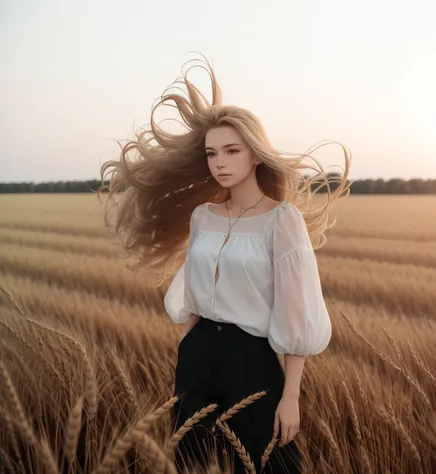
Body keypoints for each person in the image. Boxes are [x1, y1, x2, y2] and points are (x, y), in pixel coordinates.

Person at [99, 56, 351, 473]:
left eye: (232, 150)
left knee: (274, 464)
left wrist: (291, 397)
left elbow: (296, 310)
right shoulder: (203, 217)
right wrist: (187, 348)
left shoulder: (281, 219)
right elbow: (194, 298)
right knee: (195, 463)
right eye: (212, 153)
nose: (220, 162)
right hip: (197, 356)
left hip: (251, 362)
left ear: (255, 154)